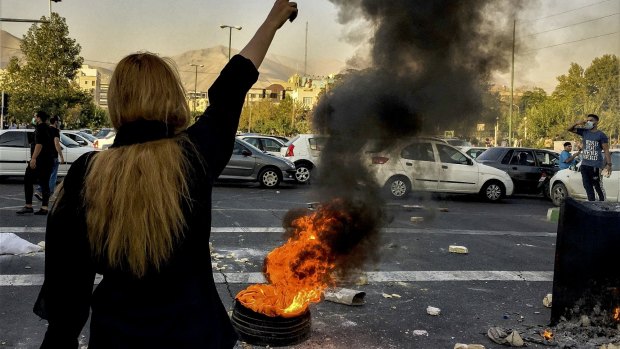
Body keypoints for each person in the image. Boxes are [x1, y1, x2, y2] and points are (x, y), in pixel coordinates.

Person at [33, 1, 297, 348]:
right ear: (172, 96)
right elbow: (231, 87)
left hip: (117, 339)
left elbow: (67, 300)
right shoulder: (194, 155)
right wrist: (272, 22)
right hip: (197, 337)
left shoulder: (86, 174)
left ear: (116, 102)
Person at [16, 111, 55, 215]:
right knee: (45, 183)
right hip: (49, 160)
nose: (34, 118)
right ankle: (44, 207)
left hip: (40, 160)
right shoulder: (49, 129)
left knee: (28, 179)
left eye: (35, 117)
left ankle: (28, 206)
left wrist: (33, 159)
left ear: (38, 118)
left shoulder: (40, 128)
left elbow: (39, 144)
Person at [568, 114, 612, 201]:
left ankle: (603, 204)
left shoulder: (601, 135)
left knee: (597, 185)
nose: (588, 122)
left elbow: (606, 150)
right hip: (585, 165)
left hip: (595, 165)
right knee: (587, 185)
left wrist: (609, 164)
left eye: (591, 120)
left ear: (596, 122)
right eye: (587, 120)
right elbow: (569, 129)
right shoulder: (584, 132)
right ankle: (591, 203)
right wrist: (577, 123)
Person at [35, 117, 64, 201]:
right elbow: (56, 143)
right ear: (55, 122)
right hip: (53, 156)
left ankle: (39, 190)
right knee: (53, 176)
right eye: (58, 122)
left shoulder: (46, 129)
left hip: (44, 156)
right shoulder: (55, 131)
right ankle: (49, 194)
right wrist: (61, 156)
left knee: (45, 175)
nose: (59, 123)